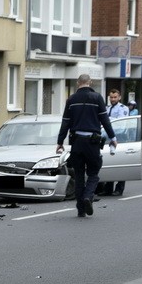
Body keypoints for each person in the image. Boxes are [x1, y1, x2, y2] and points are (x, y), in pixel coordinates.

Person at [56, 74, 117, 218]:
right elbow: (105, 120)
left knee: (78, 176)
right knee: (93, 173)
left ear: (78, 83)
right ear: (90, 83)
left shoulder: (71, 99)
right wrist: (113, 137)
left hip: (76, 142)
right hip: (92, 142)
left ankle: (80, 210)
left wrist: (60, 142)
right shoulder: (97, 98)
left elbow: (65, 122)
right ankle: (88, 197)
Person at [98, 89, 130, 197]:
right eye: (111, 97)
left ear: (119, 97)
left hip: (120, 138)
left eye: (115, 97)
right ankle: (108, 188)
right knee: (110, 163)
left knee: (121, 163)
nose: (113, 99)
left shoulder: (123, 108)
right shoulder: (106, 108)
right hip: (107, 138)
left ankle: (119, 188)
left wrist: (108, 119)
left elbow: (120, 125)